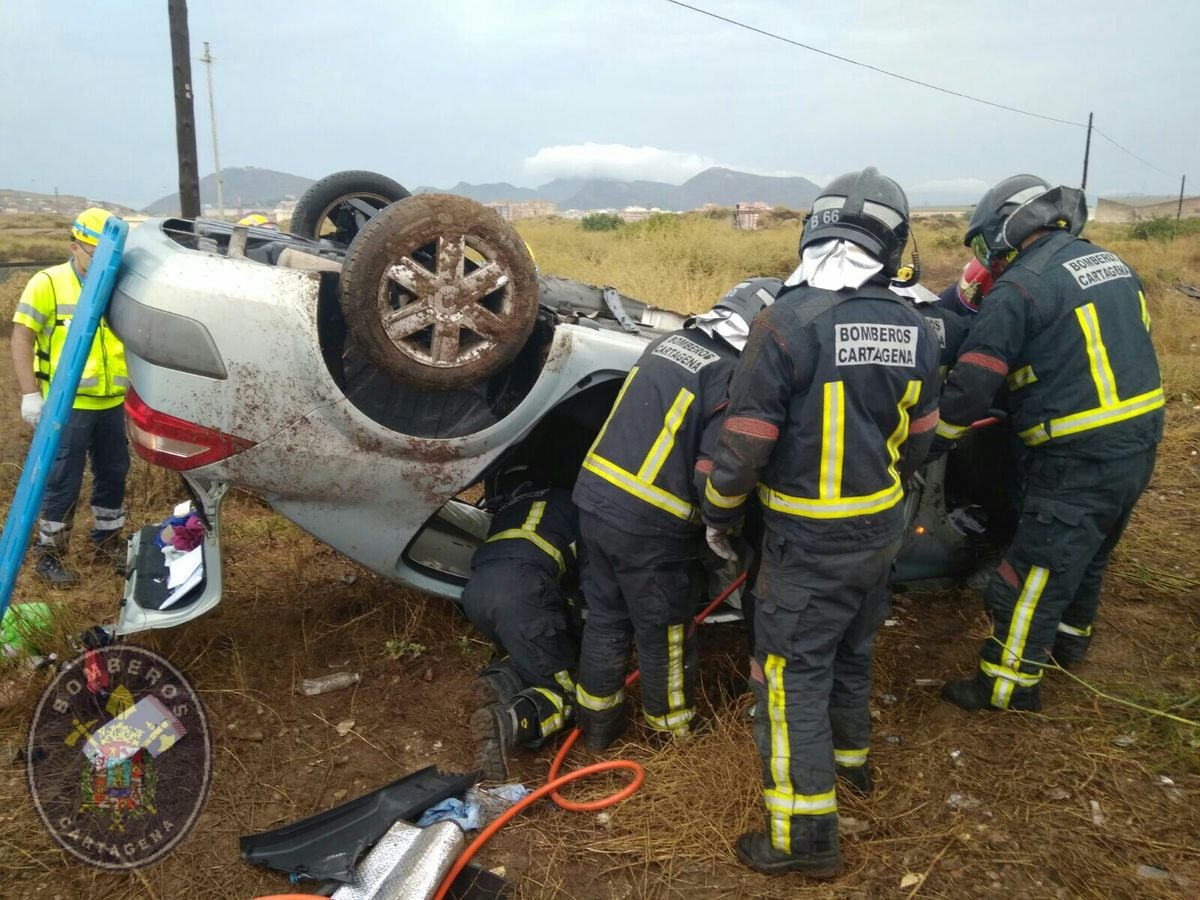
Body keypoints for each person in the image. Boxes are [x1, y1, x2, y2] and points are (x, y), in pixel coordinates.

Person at [701, 168, 941, 878]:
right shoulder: (917, 327)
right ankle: (850, 764)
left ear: (814, 232)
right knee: (851, 649)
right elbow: (922, 438)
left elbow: (745, 443)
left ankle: (803, 838)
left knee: (788, 676)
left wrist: (719, 515)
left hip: (808, 543)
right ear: (892, 245)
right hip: (880, 531)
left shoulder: (784, 322)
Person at [929, 175, 1163, 711]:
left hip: (1078, 454)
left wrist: (929, 444)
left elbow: (973, 383)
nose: (987, 259)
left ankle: (1007, 686)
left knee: (1031, 572)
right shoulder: (1108, 263)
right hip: (1139, 441)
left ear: (1007, 230)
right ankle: (1070, 643)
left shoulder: (1020, 287)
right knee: (1088, 552)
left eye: (985, 245)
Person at [572, 277, 782, 749]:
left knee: (605, 616)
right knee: (664, 633)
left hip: (595, 500)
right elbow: (713, 473)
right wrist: (724, 526)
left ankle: (598, 728)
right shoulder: (729, 374)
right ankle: (673, 735)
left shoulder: (667, 344)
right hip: (650, 524)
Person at [10, 208, 130, 586]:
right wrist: (30, 394)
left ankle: (107, 542)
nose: (102, 261)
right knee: (63, 480)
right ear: (74, 246)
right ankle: (50, 554)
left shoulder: (116, 283)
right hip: (68, 406)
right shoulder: (47, 283)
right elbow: (21, 337)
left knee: (114, 473)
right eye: (95, 253)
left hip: (111, 402)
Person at [464, 464, 581, 779]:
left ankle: (500, 681)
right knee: (566, 690)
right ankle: (508, 723)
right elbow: (589, 584)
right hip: (522, 595)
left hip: (475, 595)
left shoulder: (513, 505)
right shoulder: (576, 506)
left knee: (530, 650)